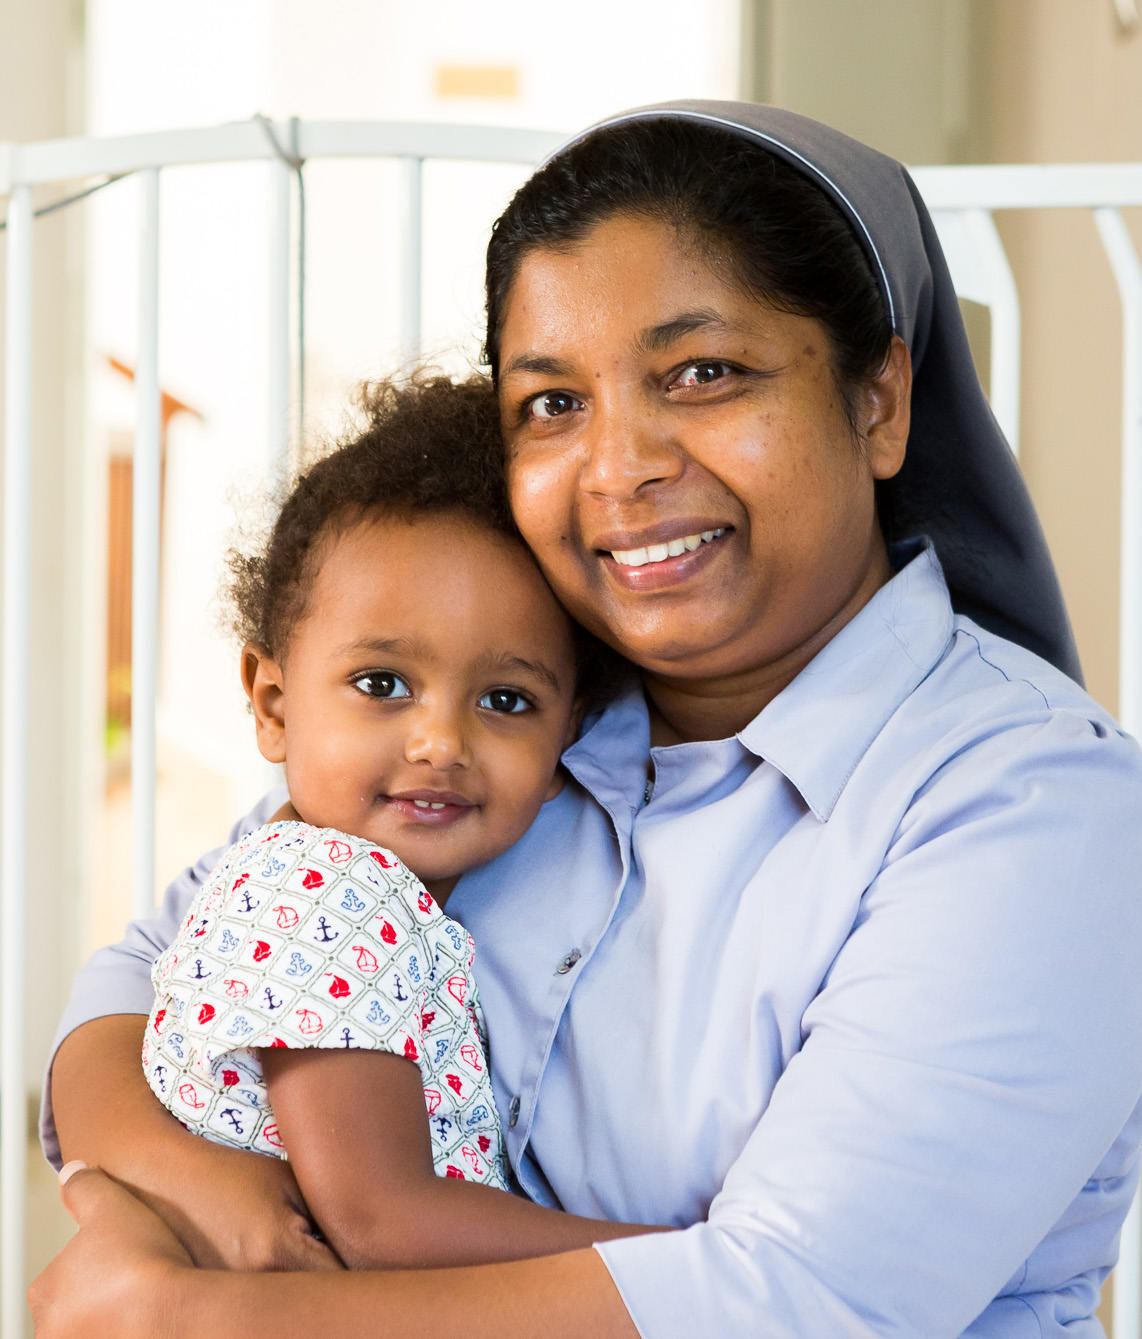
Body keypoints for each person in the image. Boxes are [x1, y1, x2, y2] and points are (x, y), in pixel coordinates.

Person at [32, 100, 1142, 1339]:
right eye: (552, 404)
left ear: (878, 401)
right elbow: (143, 972)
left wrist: (189, 1315)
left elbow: (800, 1303)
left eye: (702, 373)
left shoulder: (1029, 804)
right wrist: (180, 1190)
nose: (617, 468)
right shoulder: (515, 732)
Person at [141, 372, 660, 1269]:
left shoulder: (369, 889)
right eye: (382, 684)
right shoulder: (322, 894)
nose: (442, 741)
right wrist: (698, 1265)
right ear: (271, 703)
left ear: (564, 745)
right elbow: (384, 1221)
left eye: (506, 698)